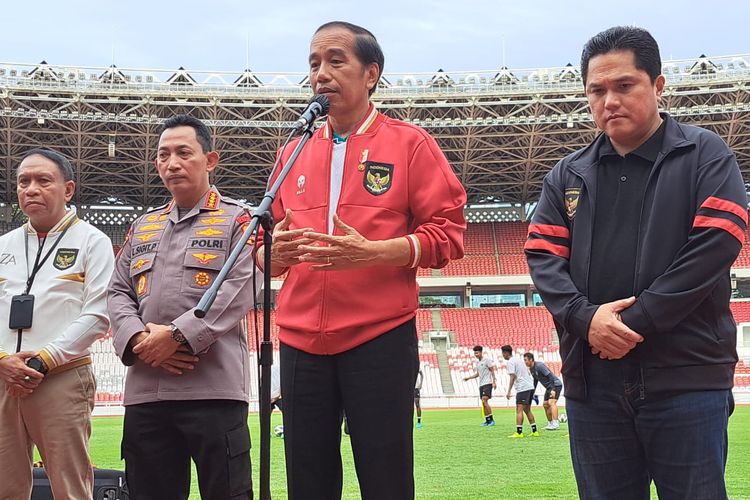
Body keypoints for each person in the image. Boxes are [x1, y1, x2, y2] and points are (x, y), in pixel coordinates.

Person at [525, 26, 744, 499]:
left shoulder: (705, 154)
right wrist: (586, 320)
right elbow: (543, 257)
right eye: (597, 91)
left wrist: (631, 323)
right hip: (593, 382)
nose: (610, 101)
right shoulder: (567, 174)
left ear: (658, 85)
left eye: (625, 86)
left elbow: (715, 245)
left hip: (686, 377)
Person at [258, 21, 466, 500]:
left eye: (336, 61)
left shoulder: (410, 143)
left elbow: (449, 234)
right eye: (314, 64)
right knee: (306, 481)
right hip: (299, 341)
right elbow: (263, 241)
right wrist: (272, 255)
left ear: (371, 73)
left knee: (386, 479)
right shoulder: (291, 150)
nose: (321, 74)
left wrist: (375, 253)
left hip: (379, 336)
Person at [108, 115, 260, 500]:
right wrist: (141, 339)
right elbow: (117, 291)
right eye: (163, 155)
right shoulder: (143, 226)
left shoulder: (238, 220)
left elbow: (241, 288)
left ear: (210, 160)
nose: (171, 162)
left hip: (214, 392)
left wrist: (178, 337)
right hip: (146, 394)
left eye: (183, 152)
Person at [0, 149, 114, 498]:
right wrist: (5, 362)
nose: (30, 189)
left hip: (61, 376)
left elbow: (97, 315)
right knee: (5, 485)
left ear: (68, 189)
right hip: (4, 378)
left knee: (70, 487)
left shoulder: (93, 241)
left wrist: (41, 361)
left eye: (42, 180)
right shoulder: (4, 245)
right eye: (23, 182)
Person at [501, 345, 538, 438]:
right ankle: (535, 431)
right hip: (530, 386)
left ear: (505, 353)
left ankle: (519, 432)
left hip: (523, 388)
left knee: (519, 410)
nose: (502, 355)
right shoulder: (518, 360)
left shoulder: (510, 362)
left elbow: (512, 376)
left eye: (503, 353)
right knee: (527, 410)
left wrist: (509, 391)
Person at [523, 352, 563, 430]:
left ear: (531, 359)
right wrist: (532, 392)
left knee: (551, 402)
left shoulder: (539, 366)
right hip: (548, 387)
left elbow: (550, 376)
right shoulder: (531, 368)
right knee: (545, 404)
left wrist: (553, 389)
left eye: (526, 360)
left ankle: (556, 423)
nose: (525, 362)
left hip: (555, 385)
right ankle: (550, 423)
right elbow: (535, 380)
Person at [463, 345, 497, 426]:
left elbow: (492, 371)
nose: (476, 354)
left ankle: (492, 420)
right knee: (483, 402)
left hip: (488, 383)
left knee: (485, 400)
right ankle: (487, 420)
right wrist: (469, 378)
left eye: (477, 353)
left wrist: (494, 381)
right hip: (481, 384)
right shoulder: (477, 363)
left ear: (481, 352)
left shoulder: (487, 360)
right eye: (475, 353)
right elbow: (478, 374)